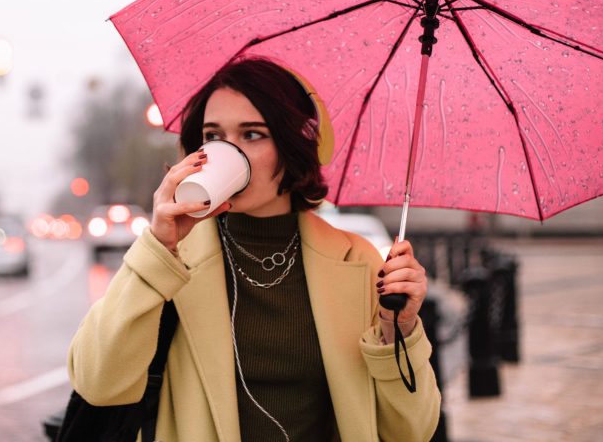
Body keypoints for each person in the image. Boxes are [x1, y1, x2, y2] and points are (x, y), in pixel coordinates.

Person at [67, 58, 441, 442]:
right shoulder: (172, 257)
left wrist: (401, 330)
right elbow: (98, 383)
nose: (228, 152)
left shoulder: (358, 262)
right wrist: (158, 247)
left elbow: (411, 431)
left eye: (252, 134)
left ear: (292, 146)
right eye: (213, 136)